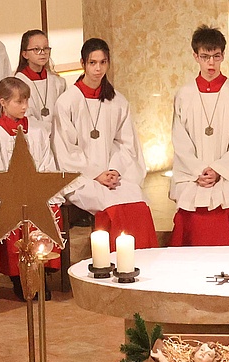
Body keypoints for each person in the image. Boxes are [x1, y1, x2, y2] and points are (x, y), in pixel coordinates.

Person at [53, 38, 158, 251]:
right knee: (114, 207)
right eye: (92, 63)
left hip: (114, 174)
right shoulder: (67, 102)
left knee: (138, 201)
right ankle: (113, 259)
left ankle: (144, 258)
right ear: (83, 63)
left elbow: (126, 143)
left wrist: (115, 170)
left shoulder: (117, 101)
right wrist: (96, 174)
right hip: (81, 177)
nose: (98, 69)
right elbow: (66, 150)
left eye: (103, 62)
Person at [169, 25, 229, 247]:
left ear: (223, 55)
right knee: (190, 208)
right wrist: (198, 171)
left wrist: (218, 170)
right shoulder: (184, 95)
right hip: (192, 175)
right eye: (205, 57)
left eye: (216, 56)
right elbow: (180, 140)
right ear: (195, 56)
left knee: (224, 205)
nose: (211, 64)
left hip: (226, 175)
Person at [0, 77, 62, 300]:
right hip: (10, 194)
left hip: (36, 190)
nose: (25, 106)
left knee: (48, 209)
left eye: (26, 100)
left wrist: (40, 187)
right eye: (19, 102)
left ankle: (41, 270)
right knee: (18, 215)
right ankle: (20, 277)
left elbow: (46, 161)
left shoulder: (36, 129)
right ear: (3, 102)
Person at [14, 29, 66, 127]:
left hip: (57, 133)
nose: (42, 53)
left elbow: (64, 113)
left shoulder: (58, 82)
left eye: (46, 48)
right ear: (25, 54)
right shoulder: (18, 84)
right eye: (36, 49)